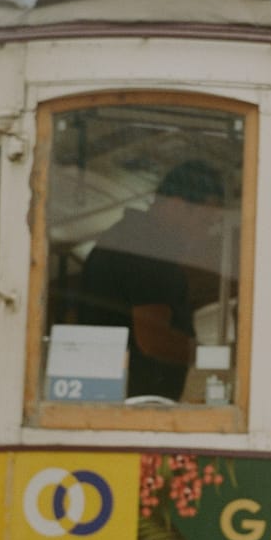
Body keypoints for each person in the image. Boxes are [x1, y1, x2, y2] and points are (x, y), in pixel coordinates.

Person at [76, 160, 226, 401]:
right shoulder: (147, 247)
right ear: (177, 206)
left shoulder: (129, 236)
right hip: (138, 406)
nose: (205, 233)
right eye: (205, 222)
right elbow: (153, 339)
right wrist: (211, 357)